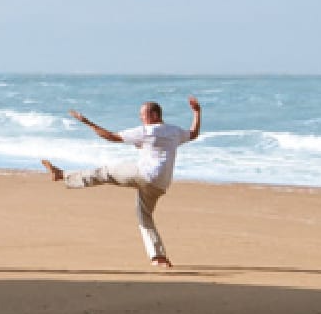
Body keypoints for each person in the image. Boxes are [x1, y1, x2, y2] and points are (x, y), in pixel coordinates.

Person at [40, 97, 201, 268]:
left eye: (143, 115)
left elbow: (110, 136)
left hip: (145, 175)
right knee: (144, 217)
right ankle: (158, 257)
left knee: (105, 172)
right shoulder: (174, 131)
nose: (141, 118)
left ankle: (62, 174)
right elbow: (193, 133)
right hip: (161, 184)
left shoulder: (147, 131)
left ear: (154, 115)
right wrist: (197, 112)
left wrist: (87, 122)